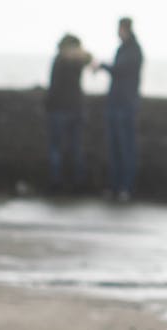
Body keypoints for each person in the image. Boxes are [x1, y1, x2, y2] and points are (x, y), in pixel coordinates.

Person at [98, 17, 143, 202]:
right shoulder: (122, 49)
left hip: (126, 104)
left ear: (125, 29)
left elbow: (119, 70)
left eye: (119, 29)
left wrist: (101, 65)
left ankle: (126, 187)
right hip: (115, 103)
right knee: (115, 147)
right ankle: (116, 186)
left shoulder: (134, 50)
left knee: (126, 148)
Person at [45, 34, 93, 192]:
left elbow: (54, 87)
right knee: (75, 148)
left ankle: (56, 183)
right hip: (75, 108)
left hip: (60, 109)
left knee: (56, 148)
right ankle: (77, 183)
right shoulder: (76, 61)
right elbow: (89, 58)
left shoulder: (60, 60)